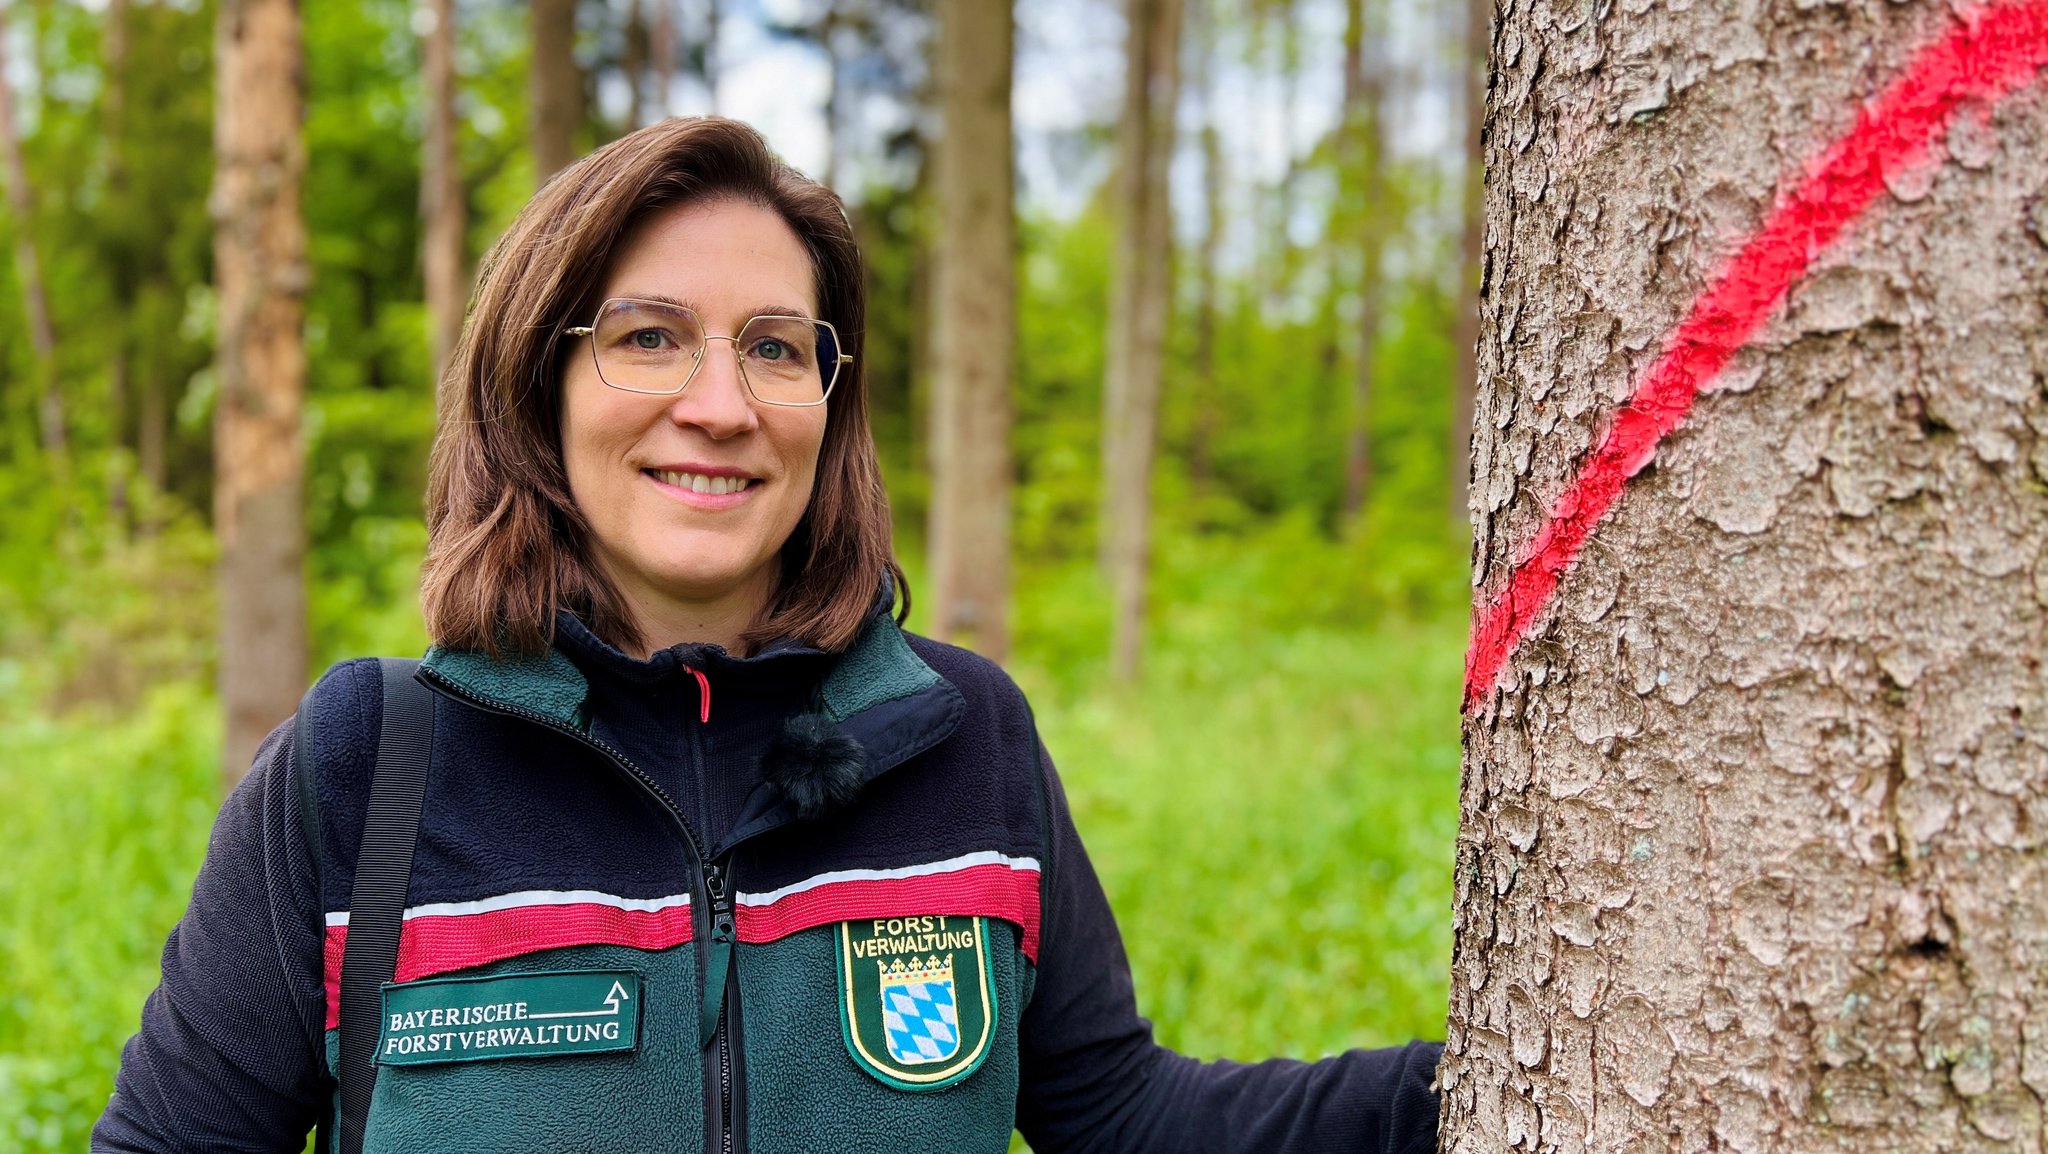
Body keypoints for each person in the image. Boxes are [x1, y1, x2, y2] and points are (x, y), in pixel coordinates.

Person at [93, 117, 1442, 1154]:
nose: (721, 404)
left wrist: (1489, 1071)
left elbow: (1127, 1119)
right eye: (650, 336)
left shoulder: (965, 744)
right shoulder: (367, 769)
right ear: (538, 385)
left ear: (829, 404)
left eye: (778, 348)